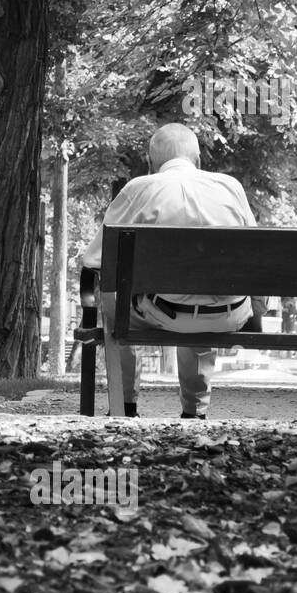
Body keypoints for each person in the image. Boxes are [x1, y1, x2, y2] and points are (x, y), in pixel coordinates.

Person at [81, 123, 257, 419]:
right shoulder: (231, 187)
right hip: (228, 314)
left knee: (116, 299)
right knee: (199, 295)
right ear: (199, 161)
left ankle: (125, 405)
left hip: (162, 311)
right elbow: (257, 253)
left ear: (151, 164)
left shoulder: (139, 188)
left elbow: (96, 260)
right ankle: (195, 410)